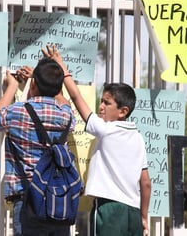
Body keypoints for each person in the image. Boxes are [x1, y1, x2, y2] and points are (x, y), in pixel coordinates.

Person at [42, 44, 151, 236]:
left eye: (107, 103)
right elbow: (146, 183)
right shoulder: (138, 138)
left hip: (108, 209)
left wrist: (61, 66)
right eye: (101, 101)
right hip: (132, 212)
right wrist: (143, 216)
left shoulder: (106, 130)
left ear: (123, 111)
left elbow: (76, 97)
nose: (101, 107)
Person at [0, 58, 76, 236]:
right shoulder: (66, 115)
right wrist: (46, 84)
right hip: (58, 199)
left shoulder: (17, 111)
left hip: (28, 199)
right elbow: (63, 101)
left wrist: (12, 86)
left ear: (33, 83)